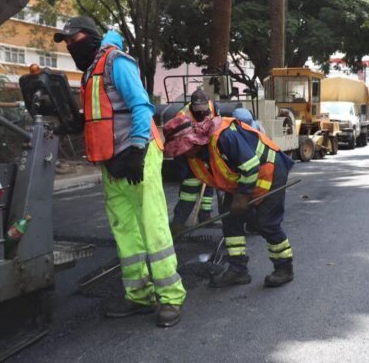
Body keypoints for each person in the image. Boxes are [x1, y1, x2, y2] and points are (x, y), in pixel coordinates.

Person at [54, 16, 186, 327]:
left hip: (136, 156)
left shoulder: (116, 61)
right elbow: (106, 115)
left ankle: (171, 297)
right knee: (124, 230)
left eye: (74, 39)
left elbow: (141, 105)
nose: (71, 46)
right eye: (67, 42)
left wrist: (138, 150)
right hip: (111, 161)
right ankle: (139, 296)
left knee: (152, 226)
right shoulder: (91, 72)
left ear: (92, 37)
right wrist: (80, 122)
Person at [162, 114, 295, 287]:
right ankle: (238, 270)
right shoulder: (191, 157)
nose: (184, 152)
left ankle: (284, 268)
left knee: (266, 223)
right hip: (240, 180)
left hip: (270, 171)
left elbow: (250, 165)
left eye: (184, 147)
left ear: (194, 140)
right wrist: (178, 221)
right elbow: (190, 188)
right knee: (230, 219)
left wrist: (241, 197)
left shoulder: (223, 137)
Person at [170, 89, 217, 234]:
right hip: (186, 151)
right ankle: (178, 222)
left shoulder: (213, 107)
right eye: (198, 110)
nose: (201, 113)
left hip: (204, 147)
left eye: (203, 109)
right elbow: (183, 146)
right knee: (189, 188)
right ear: (191, 106)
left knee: (209, 182)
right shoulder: (182, 117)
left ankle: (205, 216)